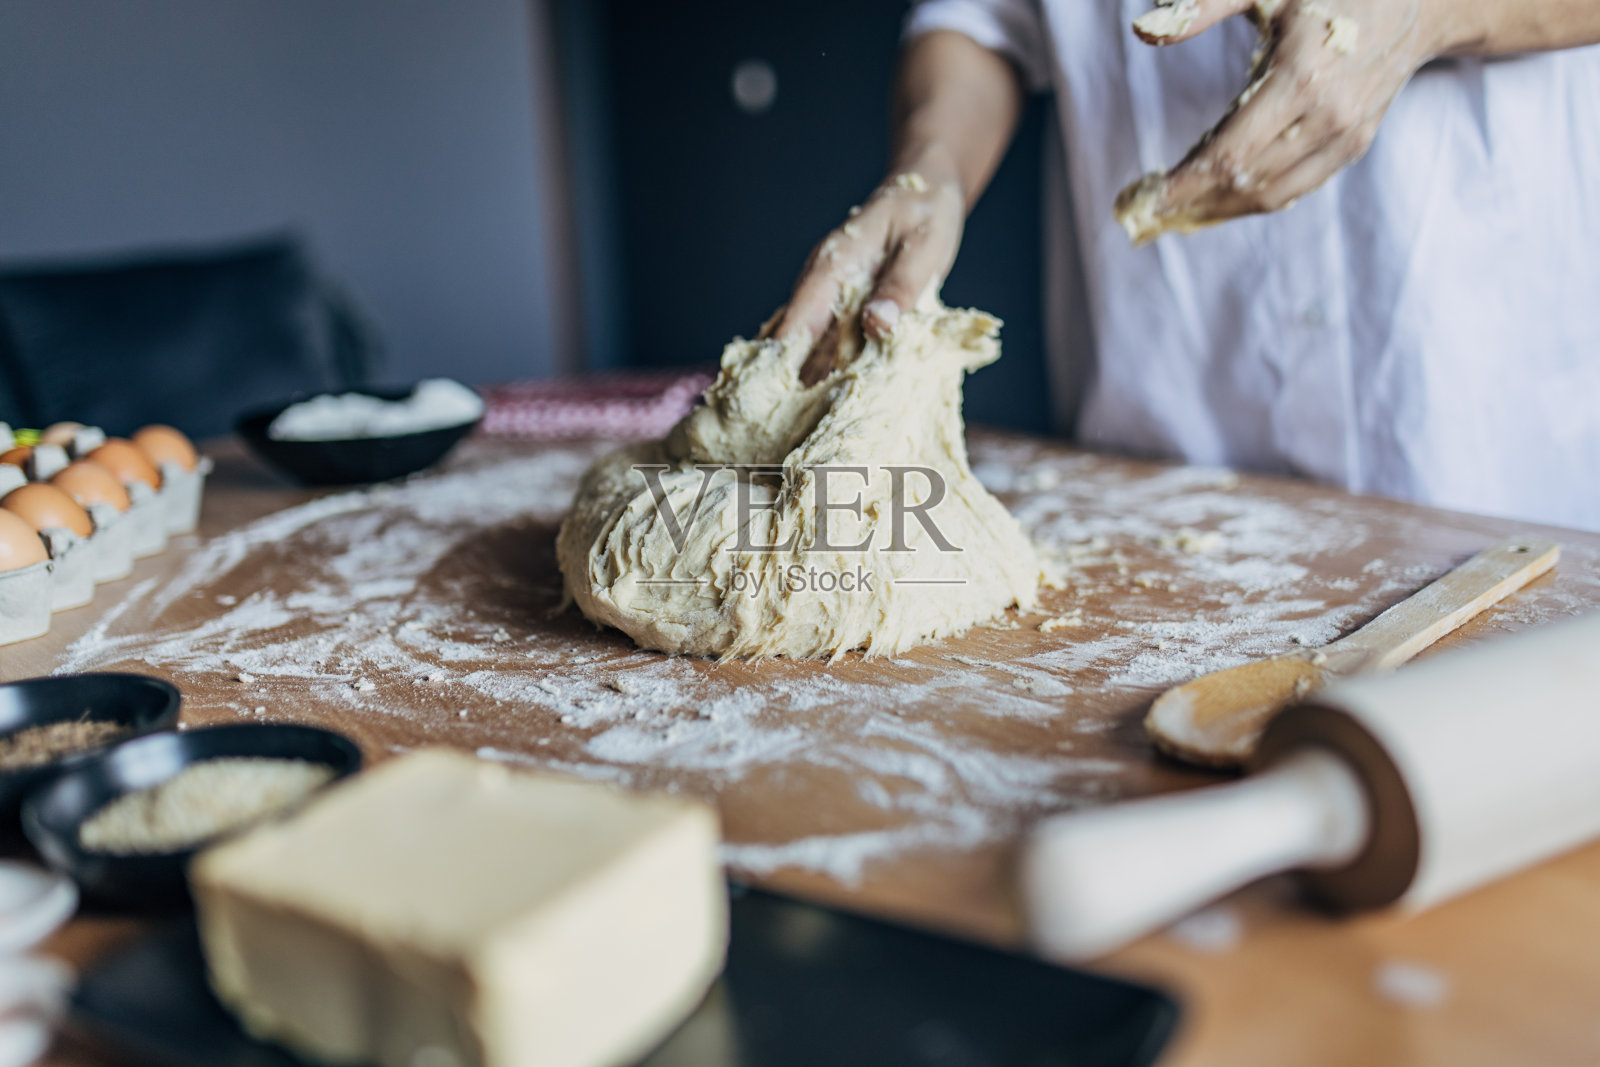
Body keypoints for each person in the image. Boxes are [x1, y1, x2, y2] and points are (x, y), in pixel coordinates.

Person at [768, 0, 1600, 531]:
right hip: (1154, 465)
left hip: (1480, 444)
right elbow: (983, 17)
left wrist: (1425, 14)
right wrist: (934, 166)